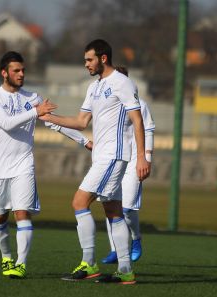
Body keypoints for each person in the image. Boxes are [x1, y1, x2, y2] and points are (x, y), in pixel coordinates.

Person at [39, 39, 150, 284]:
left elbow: (138, 120)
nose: (85, 64)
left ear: (102, 58)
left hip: (114, 155)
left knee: (79, 201)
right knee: (113, 211)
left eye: (89, 59)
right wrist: (50, 117)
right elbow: (81, 122)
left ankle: (89, 264)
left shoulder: (122, 82)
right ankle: (125, 270)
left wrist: (142, 156)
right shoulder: (94, 87)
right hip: (102, 156)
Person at [0, 51, 91, 279]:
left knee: (22, 213)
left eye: (23, 70)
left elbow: (54, 123)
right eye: (16, 71)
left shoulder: (32, 98)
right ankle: (6, 257)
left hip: (23, 165)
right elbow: (6, 123)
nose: (21, 74)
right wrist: (34, 112)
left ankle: (20, 265)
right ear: (4, 73)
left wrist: (85, 141)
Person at [101, 66, 155, 264]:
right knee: (110, 205)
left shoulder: (140, 104)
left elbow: (147, 129)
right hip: (111, 161)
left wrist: (146, 157)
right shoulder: (106, 104)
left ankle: (136, 239)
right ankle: (115, 248)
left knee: (127, 208)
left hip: (134, 161)